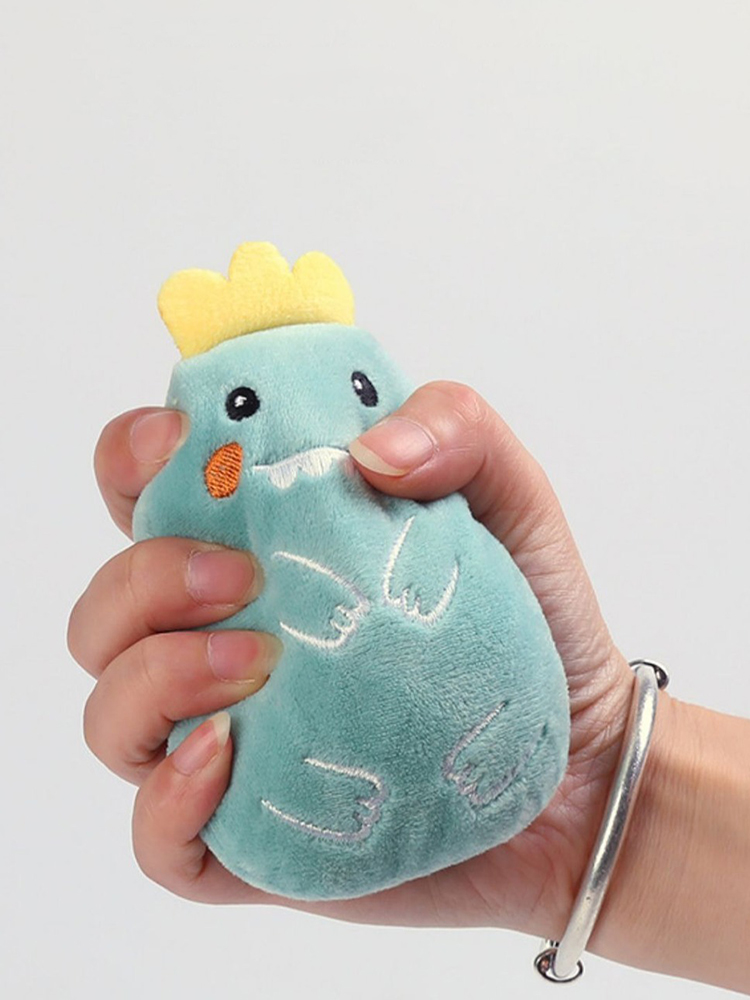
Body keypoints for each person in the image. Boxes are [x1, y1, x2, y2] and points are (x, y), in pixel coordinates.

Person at [67, 382, 750, 995]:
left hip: (503, 741)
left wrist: (604, 770)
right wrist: (603, 815)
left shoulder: (399, 482)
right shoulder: (215, 486)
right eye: (242, 406)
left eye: (361, 388)